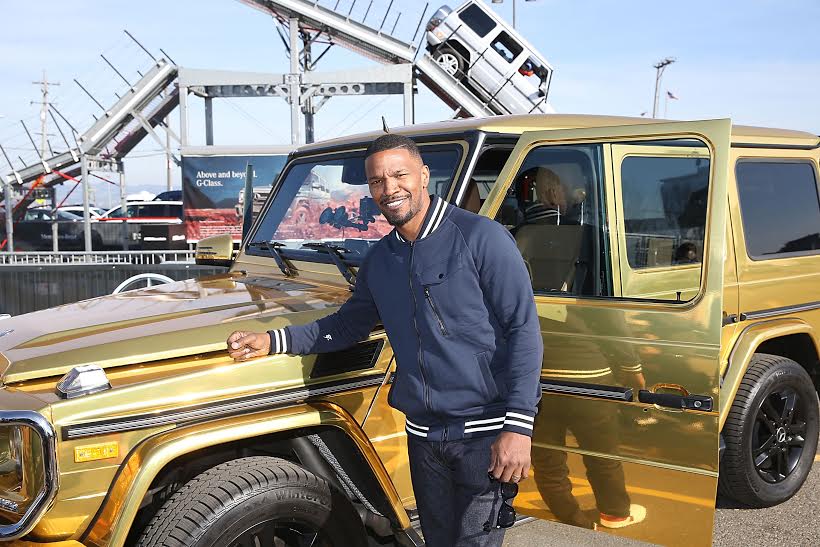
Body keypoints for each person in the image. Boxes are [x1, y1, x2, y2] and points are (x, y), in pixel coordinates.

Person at [226, 133, 543, 546]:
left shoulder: (482, 238)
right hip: (424, 437)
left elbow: (523, 330)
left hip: (483, 434)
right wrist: (273, 340)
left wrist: (519, 426)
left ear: (424, 175)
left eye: (399, 175)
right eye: (377, 181)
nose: (389, 188)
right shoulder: (381, 259)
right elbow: (345, 327)